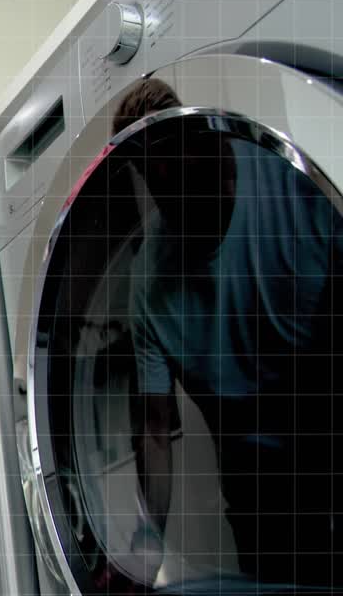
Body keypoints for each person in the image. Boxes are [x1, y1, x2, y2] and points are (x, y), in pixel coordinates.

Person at [114, 78, 343, 588]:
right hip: (260, 493)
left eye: (179, 164)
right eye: (156, 179)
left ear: (210, 140)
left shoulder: (294, 187)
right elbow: (154, 430)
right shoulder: (149, 284)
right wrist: (144, 547)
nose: (172, 188)